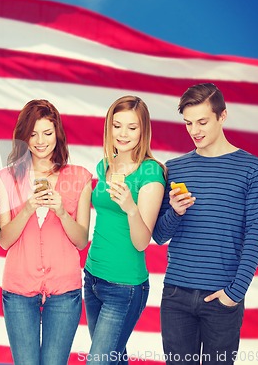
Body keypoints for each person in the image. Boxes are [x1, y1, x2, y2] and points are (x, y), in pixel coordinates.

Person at [152, 83, 258, 365]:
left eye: (202, 121)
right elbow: (158, 235)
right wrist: (175, 213)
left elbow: (255, 236)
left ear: (223, 116)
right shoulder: (175, 168)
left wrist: (234, 294)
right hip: (176, 295)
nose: (195, 130)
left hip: (222, 297)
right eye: (188, 123)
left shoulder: (253, 169)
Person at [0, 99, 92, 365]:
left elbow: (81, 240)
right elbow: (4, 240)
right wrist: (27, 209)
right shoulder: (6, 178)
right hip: (18, 290)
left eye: (47, 133)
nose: (40, 141)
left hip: (64, 291)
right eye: (33, 133)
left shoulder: (80, 177)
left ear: (57, 134)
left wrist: (61, 212)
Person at [84, 95, 165, 364]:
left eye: (132, 127)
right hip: (93, 277)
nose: (123, 133)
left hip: (125, 286)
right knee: (113, 358)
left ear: (143, 131)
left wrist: (131, 207)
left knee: (99, 360)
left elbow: (142, 242)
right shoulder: (104, 164)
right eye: (117, 125)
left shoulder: (150, 173)